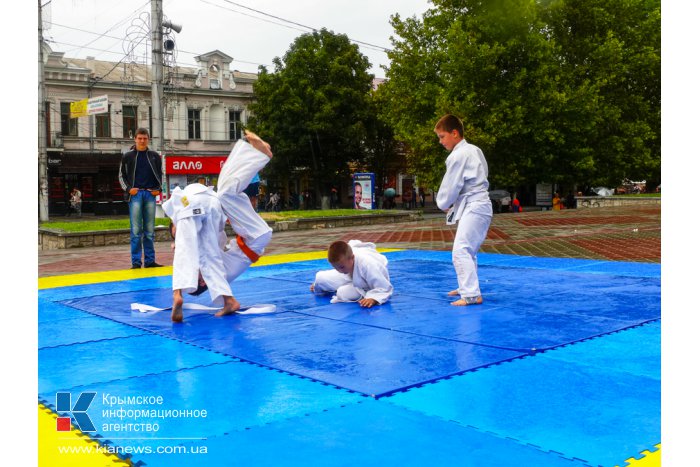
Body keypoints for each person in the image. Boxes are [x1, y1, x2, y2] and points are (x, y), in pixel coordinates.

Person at [163, 130, 274, 323]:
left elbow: (204, 247)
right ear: (202, 282)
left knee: (226, 190)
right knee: (224, 194)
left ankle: (257, 154)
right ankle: (260, 156)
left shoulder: (211, 261)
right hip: (233, 222)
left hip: (211, 206)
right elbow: (204, 253)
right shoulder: (212, 268)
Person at [434, 114, 492, 306]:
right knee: (468, 250)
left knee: (461, 250)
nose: (440, 142)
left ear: (454, 133)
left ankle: (472, 294)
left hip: (475, 205)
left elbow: (452, 184)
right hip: (478, 204)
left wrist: (443, 203)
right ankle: (466, 287)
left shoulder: (458, 155)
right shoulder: (474, 150)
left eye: (442, 136)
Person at [119, 128, 163, 269]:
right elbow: (121, 176)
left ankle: (150, 261)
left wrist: (158, 190)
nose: (142, 141)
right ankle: (136, 262)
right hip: (135, 195)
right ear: (135, 139)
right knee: (136, 231)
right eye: (140, 138)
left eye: (145, 138)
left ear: (148, 139)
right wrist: (128, 189)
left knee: (150, 231)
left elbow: (160, 174)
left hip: (150, 194)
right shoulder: (128, 156)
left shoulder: (154, 156)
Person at [310, 239, 393, 308]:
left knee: (343, 293)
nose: (339, 271)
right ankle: (349, 280)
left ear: (352, 258)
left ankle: (364, 291)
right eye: (335, 268)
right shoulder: (344, 263)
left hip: (366, 283)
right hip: (350, 275)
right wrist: (318, 284)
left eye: (341, 267)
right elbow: (340, 270)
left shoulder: (369, 264)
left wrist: (373, 298)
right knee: (320, 279)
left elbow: (384, 287)